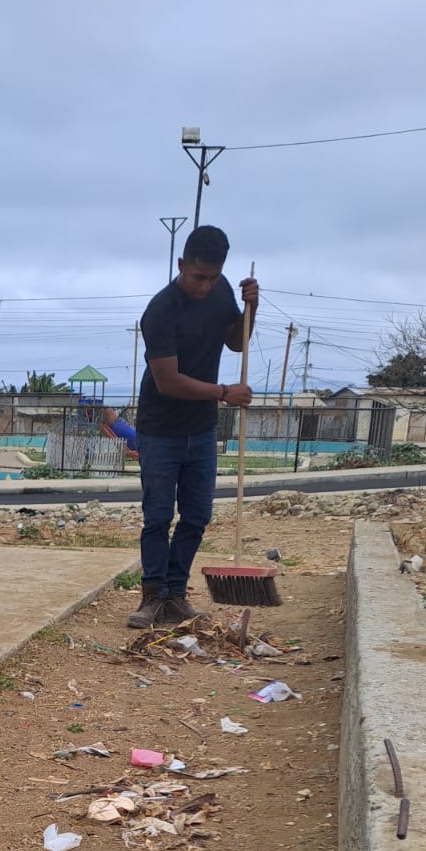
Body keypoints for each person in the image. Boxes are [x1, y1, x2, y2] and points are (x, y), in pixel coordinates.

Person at [127, 225, 257, 629]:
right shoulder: (160, 310)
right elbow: (168, 381)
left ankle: (175, 595)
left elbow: (236, 341)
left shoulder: (220, 292)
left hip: (201, 430)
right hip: (159, 429)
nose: (205, 286)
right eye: (199, 276)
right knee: (157, 516)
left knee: (197, 515)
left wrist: (251, 309)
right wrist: (224, 393)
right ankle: (153, 597)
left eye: (213, 277)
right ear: (182, 264)